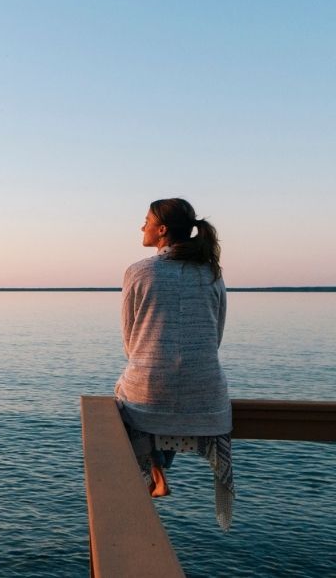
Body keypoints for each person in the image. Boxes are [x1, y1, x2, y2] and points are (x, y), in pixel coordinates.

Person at [114, 197, 234, 530]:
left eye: (146, 221)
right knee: (165, 397)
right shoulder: (211, 272)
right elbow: (217, 333)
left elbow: (130, 339)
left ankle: (156, 471)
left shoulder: (139, 271)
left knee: (131, 396)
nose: (142, 226)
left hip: (151, 388)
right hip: (207, 392)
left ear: (162, 230)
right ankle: (161, 467)